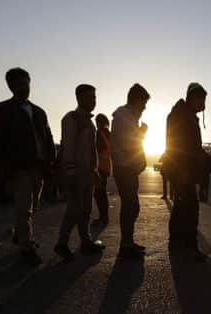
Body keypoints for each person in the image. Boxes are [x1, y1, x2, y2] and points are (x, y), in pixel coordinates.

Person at [0, 68, 55, 265]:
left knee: (33, 205)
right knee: (24, 208)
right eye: (19, 84)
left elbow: (48, 138)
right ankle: (26, 245)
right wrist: (0, 168)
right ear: (10, 86)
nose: (23, 88)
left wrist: (50, 162)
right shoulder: (1, 110)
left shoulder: (39, 111)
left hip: (39, 167)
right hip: (18, 168)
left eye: (26, 83)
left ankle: (19, 233)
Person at [54, 84, 105, 259]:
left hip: (88, 174)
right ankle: (62, 243)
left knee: (86, 209)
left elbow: (92, 151)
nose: (93, 101)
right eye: (90, 97)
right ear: (79, 98)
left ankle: (86, 241)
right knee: (74, 209)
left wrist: (95, 171)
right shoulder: (72, 119)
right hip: (75, 174)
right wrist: (70, 172)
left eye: (94, 97)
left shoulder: (89, 122)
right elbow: (68, 147)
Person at [163, 83, 210, 260]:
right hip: (182, 169)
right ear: (192, 98)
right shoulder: (181, 116)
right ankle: (189, 246)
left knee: (182, 206)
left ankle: (176, 242)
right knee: (191, 207)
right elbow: (180, 145)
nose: (204, 104)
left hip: (181, 168)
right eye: (202, 99)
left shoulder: (183, 115)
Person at [111, 84, 150, 257]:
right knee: (130, 206)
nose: (144, 108)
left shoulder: (129, 116)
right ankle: (126, 245)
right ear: (136, 101)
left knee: (131, 206)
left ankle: (128, 242)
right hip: (124, 168)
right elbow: (129, 145)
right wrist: (142, 132)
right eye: (143, 104)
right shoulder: (123, 117)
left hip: (129, 168)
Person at [92, 113, 111, 227]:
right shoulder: (109, 133)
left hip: (99, 167)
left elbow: (97, 150)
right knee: (102, 193)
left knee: (99, 194)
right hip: (106, 167)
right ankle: (104, 217)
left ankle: (103, 218)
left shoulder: (98, 133)